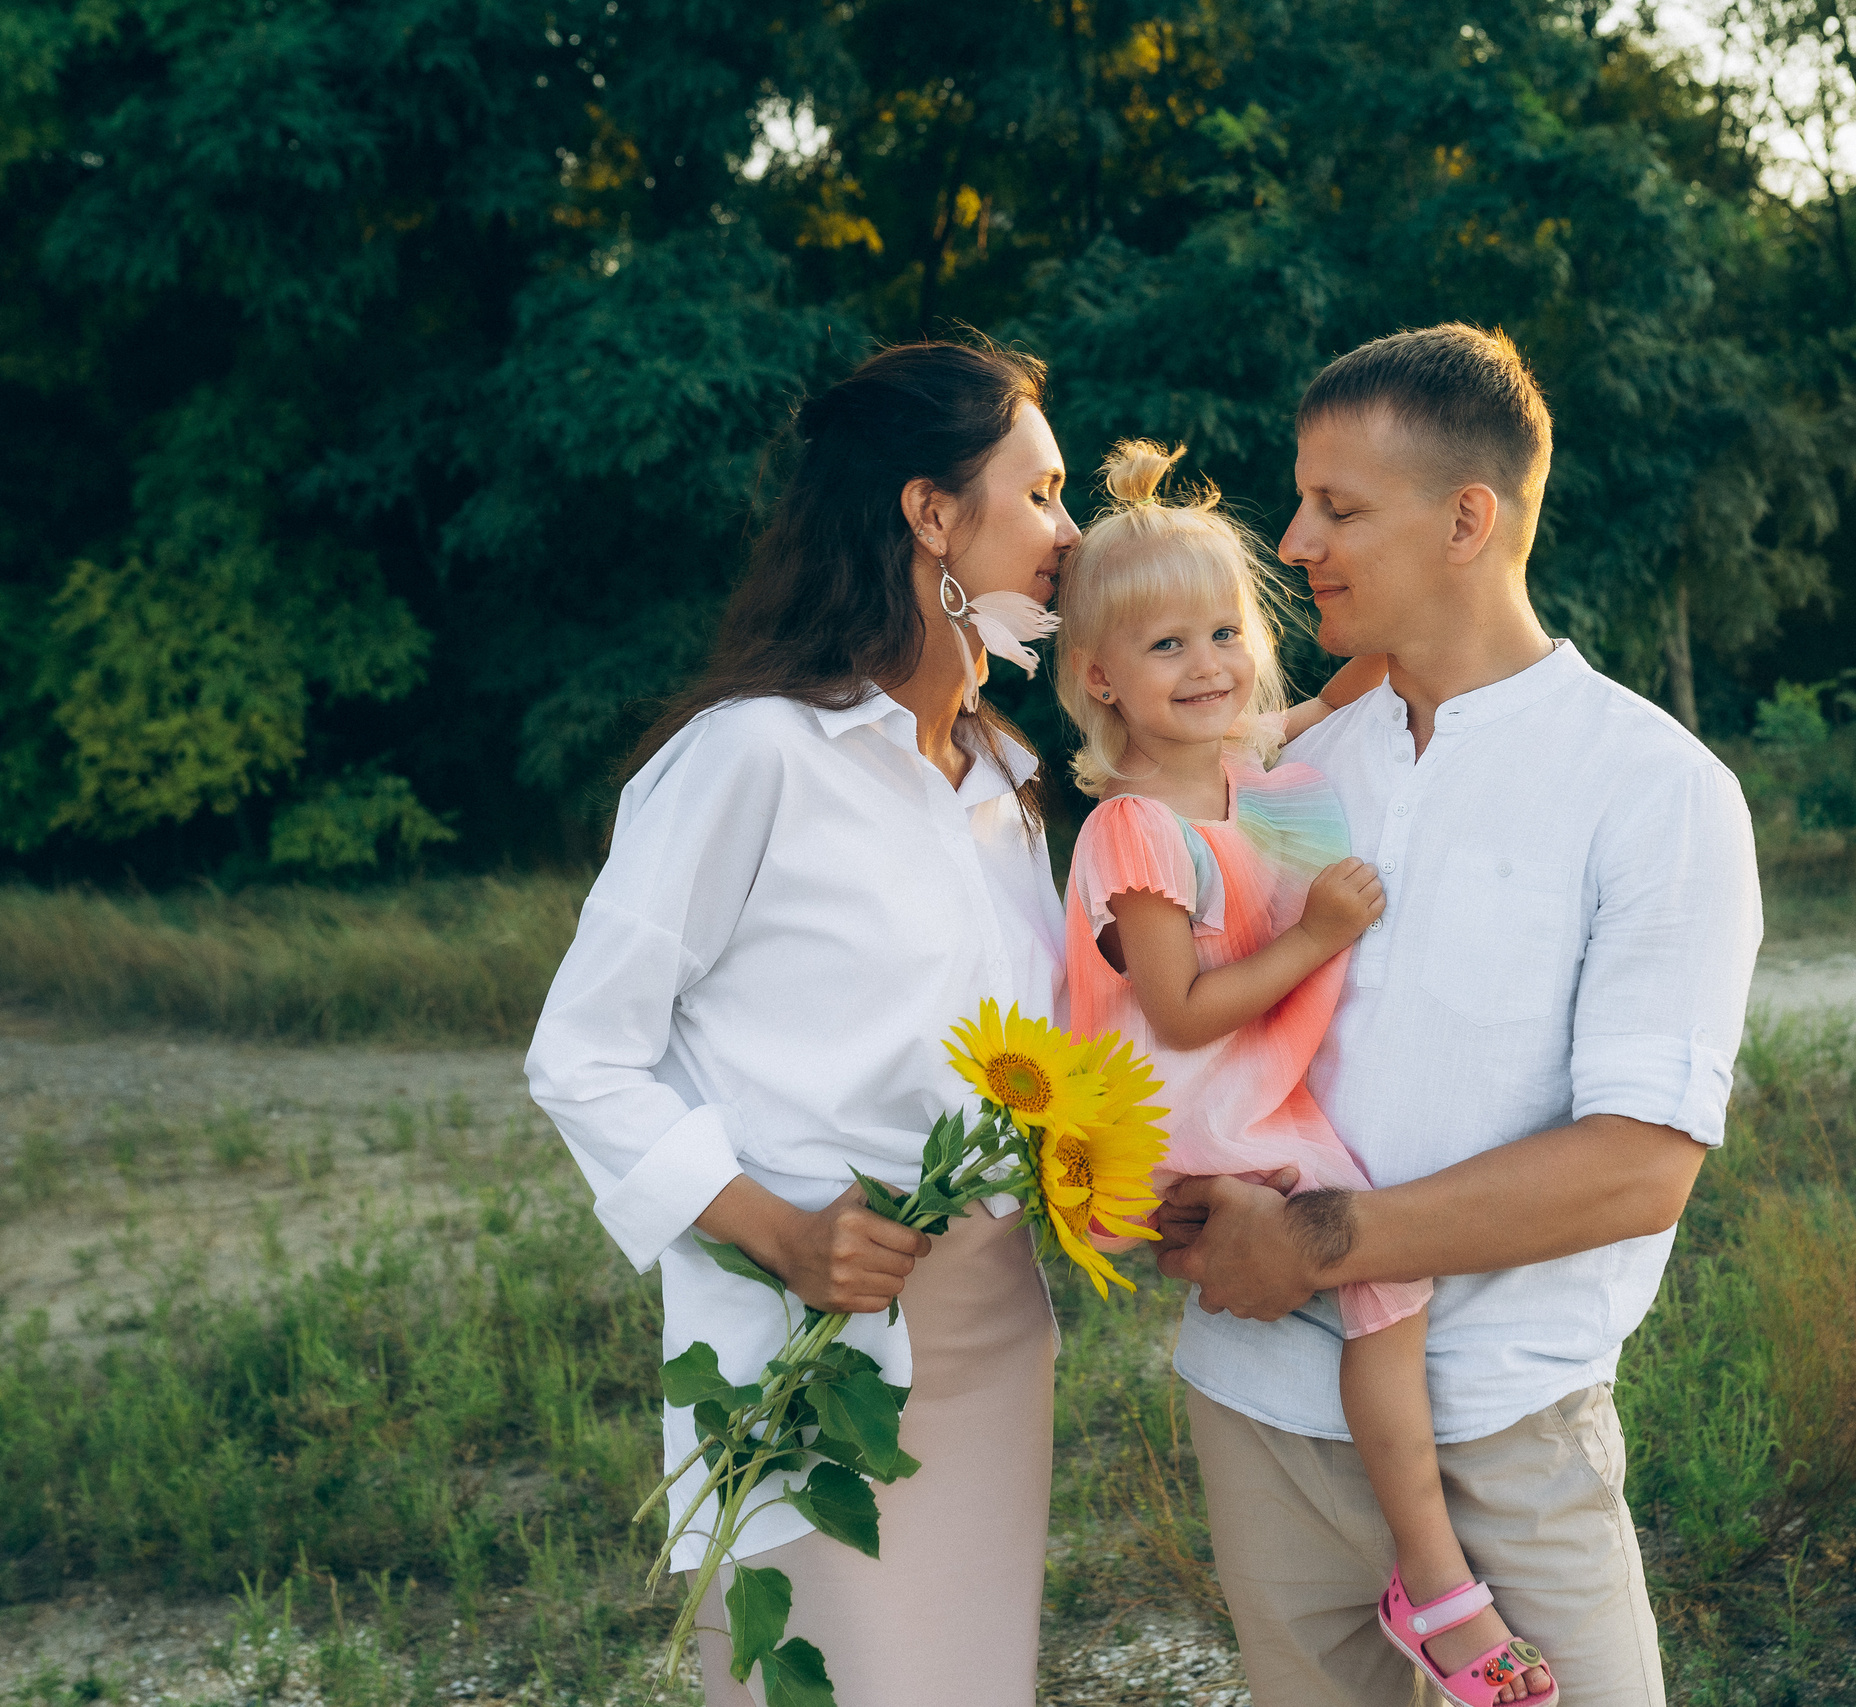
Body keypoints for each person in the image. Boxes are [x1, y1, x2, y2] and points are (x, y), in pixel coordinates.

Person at [1153, 324, 1763, 1707]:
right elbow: (1240, 1046)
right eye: (1301, 497)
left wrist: (1311, 1241)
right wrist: (1173, 1196)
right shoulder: (1296, 768)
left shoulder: (1654, 788)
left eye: (1340, 506)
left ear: (1468, 520)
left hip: (1507, 1426)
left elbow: (1640, 1163)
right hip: (1268, 1416)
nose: (1295, 537)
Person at [523, 340, 1079, 1707]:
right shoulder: (751, 754)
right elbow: (581, 1051)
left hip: (998, 1326)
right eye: (1043, 493)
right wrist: (785, 1232)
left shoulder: (1007, 778)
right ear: (930, 512)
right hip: (807, 1350)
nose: (1071, 536)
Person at [1053, 441, 1555, 1706]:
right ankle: (1435, 1583)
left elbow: (1354, 681)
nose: (1209, 664)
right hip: (1185, 1109)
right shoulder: (1134, 824)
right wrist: (1319, 935)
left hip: (1235, 1102)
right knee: (1384, 1276)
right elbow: (1175, 1011)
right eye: (1166, 648)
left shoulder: (1241, 768)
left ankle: (1422, 1570)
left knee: (1384, 1293)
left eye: (1223, 631)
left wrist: (1428, 607)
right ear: (1100, 679)